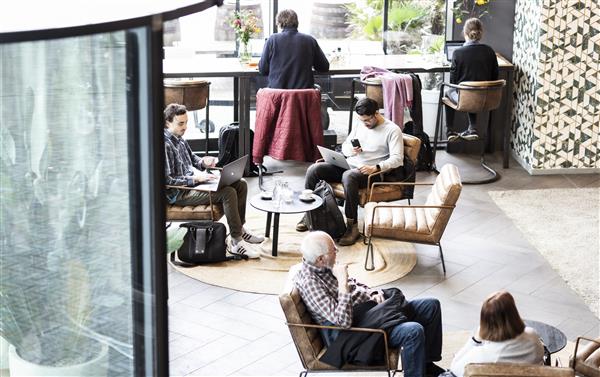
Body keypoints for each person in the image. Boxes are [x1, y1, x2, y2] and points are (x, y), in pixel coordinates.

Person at [294, 231, 444, 377]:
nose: (337, 251)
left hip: (372, 313)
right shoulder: (310, 283)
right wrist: (342, 282)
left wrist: (372, 293)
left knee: (431, 306)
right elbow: (343, 322)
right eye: (334, 250)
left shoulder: (324, 264)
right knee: (413, 331)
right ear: (320, 259)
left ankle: (425, 364)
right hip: (356, 333)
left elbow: (355, 284)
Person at [296, 97, 404, 246]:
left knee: (349, 176)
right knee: (314, 169)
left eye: (367, 120)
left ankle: (352, 227)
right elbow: (346, 146)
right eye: (362, 120)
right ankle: (309, 214)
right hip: (351, 165)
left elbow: (398, 159)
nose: (365, 124)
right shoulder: (360, 125)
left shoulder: (392, 130)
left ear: (377, 113)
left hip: (372, 172)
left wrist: (376, 167)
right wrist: (351, 150)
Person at [163, 103, 264, 259]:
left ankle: (240, 229)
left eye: (186, 122)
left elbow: (193, 159)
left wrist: (204, 162)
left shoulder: (180, 139)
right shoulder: (165, 145)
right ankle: (237, 242)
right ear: (168, 123)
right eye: (181, 123)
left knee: (241, 184)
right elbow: (168, 180)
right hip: (180, 193)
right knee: (228, 192)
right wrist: (195, 179)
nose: (185, 127)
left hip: (193, 184)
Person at [447, 291, 544, 377]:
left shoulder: (484, 355)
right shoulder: (533, 336)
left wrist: (475, 339)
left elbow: (454, 368)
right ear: (514, 314)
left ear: (485, 322)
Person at [446, 18, 499, 142]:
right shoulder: (489, 51)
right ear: (481, 33)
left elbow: (453, 81)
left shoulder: (458, 53)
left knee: (447, 92)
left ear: (465, 32)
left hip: (465, 98)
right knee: (474, 88)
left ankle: (449, 131)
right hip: (487, 98)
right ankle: (472, 128)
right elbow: (495, 75)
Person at [258, 9, 329, 89]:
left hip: (278, 98)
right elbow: (324, 67)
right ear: (297, 22)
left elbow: (263, 70)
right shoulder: (310, 40)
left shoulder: (272, 40)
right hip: (303, 98)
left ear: (279, 23)